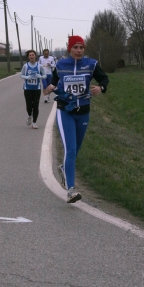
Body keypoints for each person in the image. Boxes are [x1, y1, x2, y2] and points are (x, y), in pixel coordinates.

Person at [46, 35, 109, 203]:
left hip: (83, 111)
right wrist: (50, 87)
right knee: (71, 150)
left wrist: (101, 87)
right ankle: (71, 190)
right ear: (70, 49)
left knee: (76, 150)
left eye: (81, 47)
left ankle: (63, 168)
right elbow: (54, 80)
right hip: (65, 110)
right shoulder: (60, 65)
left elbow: (104, 78)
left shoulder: (91, 64)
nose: (79, 51)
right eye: (75, 47)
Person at [20, 49, 46, 129]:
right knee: (29, 106)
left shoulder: (39, 66)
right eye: (30, 55)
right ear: (28, 57)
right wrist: (27, 77)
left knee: (35, 106)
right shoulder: (26, 66)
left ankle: (34, 122)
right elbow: (21, 75)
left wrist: (40, 76)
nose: (31, 56)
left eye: (33, 55)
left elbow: (45, 75)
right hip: (27, 89)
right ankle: (29, 115)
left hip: (36, 89)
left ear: (35, 56)